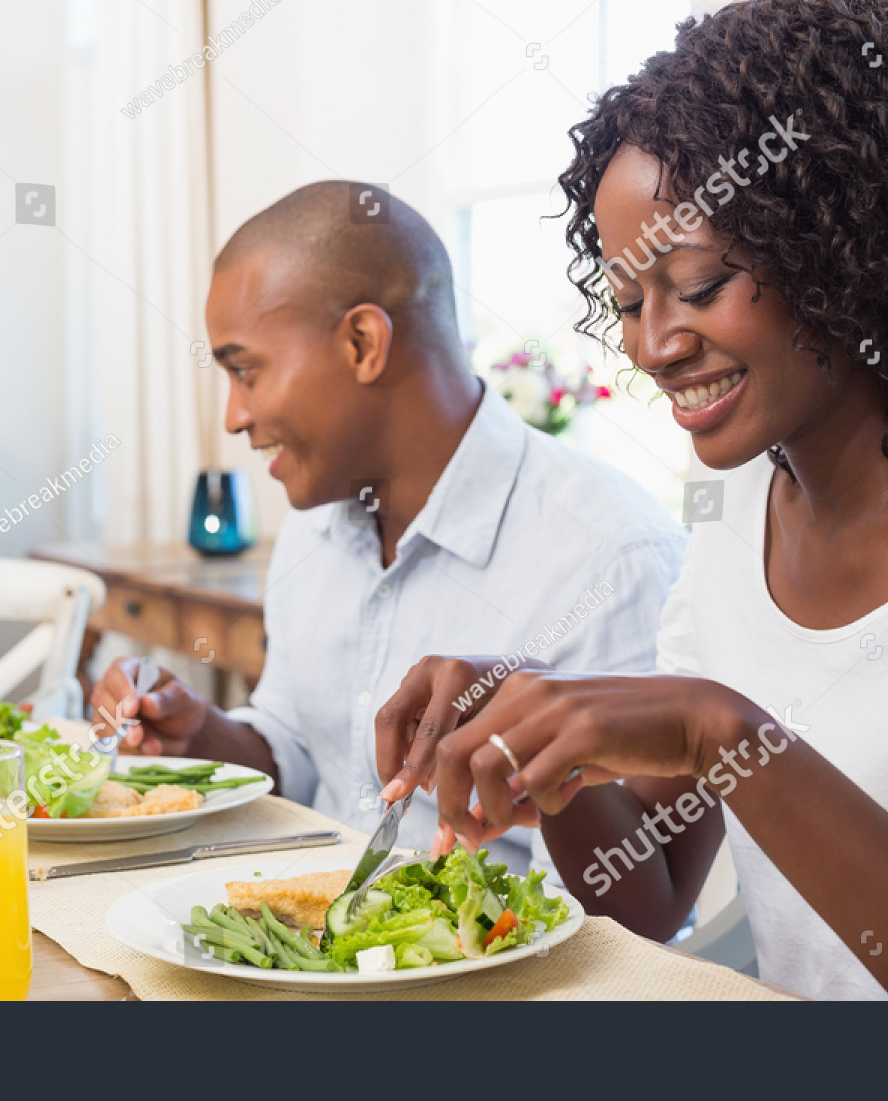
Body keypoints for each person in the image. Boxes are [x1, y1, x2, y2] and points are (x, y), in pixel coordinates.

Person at [376, 0, 888, 999]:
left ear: (848, 250)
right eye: (631, 301)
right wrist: (538, 744)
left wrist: (722, 731)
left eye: (700, 282)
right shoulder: (735, 518)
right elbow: (647, 895)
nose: (654, 343)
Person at [91, 180, 686, 871]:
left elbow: (640, 905)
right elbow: (301, 750)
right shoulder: (315, 529)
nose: (234, 417)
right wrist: (200, 731)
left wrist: (540, 732)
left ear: (363, 343)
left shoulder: (611, 553)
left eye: (245, 371)